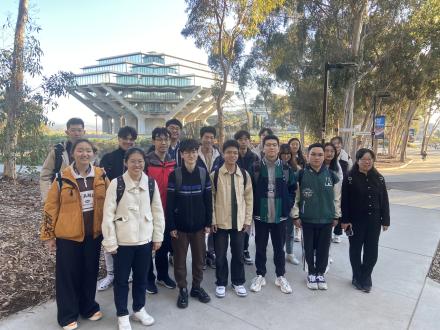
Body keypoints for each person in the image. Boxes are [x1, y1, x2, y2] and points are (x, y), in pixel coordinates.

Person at [40, 139, 109, 330]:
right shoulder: (62, 178)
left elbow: (111, 203)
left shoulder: (101, 175)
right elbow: (50, 208)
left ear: (93, 154)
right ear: (73, 154)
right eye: (80, 150)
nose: (84, 154)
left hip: (93, 235)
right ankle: (67, 314)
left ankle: (88, 307)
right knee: (67, 276)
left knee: (90, 272)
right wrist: (48, 236)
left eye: (88, 151)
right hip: (68, 236)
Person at [102, 147, 165, 330]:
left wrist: (157, 236)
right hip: (123, 243)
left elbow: (158, 212)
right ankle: (122, 314)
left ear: (144, 163)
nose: (137, 165)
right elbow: (108, 214)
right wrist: (110, 242)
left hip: (144, 241)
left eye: (140, 161)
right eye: (133, 161)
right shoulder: (117, 183)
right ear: (125, 162)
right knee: (121, 280)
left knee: (141, 278)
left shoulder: (150, 183)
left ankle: (139, 309)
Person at [167, 138, 213, 308]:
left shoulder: (203, 173)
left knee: (199, 259)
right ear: (182, 154)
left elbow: (208, 199)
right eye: (187, 152)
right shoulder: (175, 174)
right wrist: (171, 225)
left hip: (200, 227)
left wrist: (208, 222)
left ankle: (196, 287)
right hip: (180, 228)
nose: (191, 155)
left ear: (197, 153)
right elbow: (170, 203)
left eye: (194, 151)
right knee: (179, 260)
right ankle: (183, 289)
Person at [249, 135, 296, 294]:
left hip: (280, 216)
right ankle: (260, 275)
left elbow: (292, 189)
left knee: (279, 248)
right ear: (263, 148)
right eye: (268, 145)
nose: (271, 148)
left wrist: (287, 205)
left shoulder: (285, 168)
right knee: (260, 247)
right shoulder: (255, 167)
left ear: (278, 148)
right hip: (261, 215)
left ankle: (280, 276)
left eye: (274, 145)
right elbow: (249, 191)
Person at [292, 143, 341, 291]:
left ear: (324, 156)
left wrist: (336, 216)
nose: (317, 157)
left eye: (320, 154)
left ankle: (320, 273)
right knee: (308, 248)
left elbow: (337, 198)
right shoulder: (300, 175)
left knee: (323, 249)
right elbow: (295, 198)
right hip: (307, 219)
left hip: (326, 219)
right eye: (313, 154)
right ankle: (311, 273)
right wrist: (295, 215)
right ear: (308, 155)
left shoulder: (332, 176)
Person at [341, 148, 390, 293]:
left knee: (372, 251)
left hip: (374, 221)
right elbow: (345, 201)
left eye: (370, 159)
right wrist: (345, 220)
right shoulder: (350, 177)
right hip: (355, 221)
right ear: (358, 161)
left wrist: (385, 220)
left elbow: (384, 200)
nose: (367, 162)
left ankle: (366, 275)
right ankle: (357, 276)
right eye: (364, 159)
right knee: (355, 249)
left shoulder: (379, 178)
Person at [97, 126, 137, 291]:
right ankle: (111, 274)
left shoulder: (137, 158)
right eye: (125, 138)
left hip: (132, 206)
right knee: (109, 239)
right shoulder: (108, 158)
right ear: (118, 139)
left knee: (129, 240)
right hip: (111, 206)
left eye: (131, 139)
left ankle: (128, 272)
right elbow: (100, 182)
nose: (128, 141)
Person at [211, 140, 253, 298]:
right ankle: (221, 282)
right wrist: (213, 220)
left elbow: (249, 199)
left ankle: (238, 282)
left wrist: (248, 220)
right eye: (229, 152)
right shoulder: (215, 175)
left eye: (235, 153)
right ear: (223, 154)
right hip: (220, 223)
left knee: (238, 254)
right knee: (220, 255)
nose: (232, 155)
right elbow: (211, 200)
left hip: (239, 223)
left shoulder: (244, 174)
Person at [145, 127, 177, 294]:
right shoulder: (146, 162)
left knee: (163, 247)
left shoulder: (173, 161)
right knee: (148, 248)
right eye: (159, 139)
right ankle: (148, 279)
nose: (163, 142)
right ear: (153, 141)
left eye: (166, 139)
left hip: (166, 213)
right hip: (148, 213)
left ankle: (163, 276)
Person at [196, 126, 224, 268]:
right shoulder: (195, 154)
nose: (209, 140)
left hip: (215, 194)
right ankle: (201, 255)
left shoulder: (219, 156)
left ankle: (211, 253)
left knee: (214, 224)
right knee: (201, 226)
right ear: (201, 138)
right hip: (198, 195)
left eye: (211, 137)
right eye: (206, 137)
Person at [40, 118, 85, 201]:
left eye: (79, 130)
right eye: (73, 130)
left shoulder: (91, 153)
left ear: (84, 132)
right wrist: (48, 198)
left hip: (85, 198)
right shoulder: (58, 152)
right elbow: (45, 176)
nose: (76, 133)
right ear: (67, 132)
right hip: (61, 197)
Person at [234, 129, 259, 265]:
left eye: (245, 139)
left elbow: (257, 177)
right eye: (240, 139)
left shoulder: (254, 157)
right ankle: (237, 250)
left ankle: (245, 249)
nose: (243, 142)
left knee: (247, 224)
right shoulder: (232, 155)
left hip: (250, 194)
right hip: (234, 195)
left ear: (249, 141)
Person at [278, 144, 300, 266]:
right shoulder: (276, 166)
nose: (286, 156)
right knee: (281, 231)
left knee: (290, 230)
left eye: (288, 154)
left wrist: (292, 203)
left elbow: (296, 189)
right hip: (278, 204)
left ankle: (290, 253)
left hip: (292, 203)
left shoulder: (296, 168)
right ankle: (279, 252)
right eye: (283, 153)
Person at [330, 136, 352, 243]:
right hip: (330, 187)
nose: (336, 145)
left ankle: (337, 233)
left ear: (341, 144)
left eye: (338, 143)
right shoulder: (328, 155)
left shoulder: (346, 157)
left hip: (343, 187)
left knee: (340, 209)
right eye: (334, 143)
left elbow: (351, 171)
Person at [287, 137, 306, 243]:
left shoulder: (302, 159)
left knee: (297, 210)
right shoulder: (286, 157)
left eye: (297, 144)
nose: (294, 146)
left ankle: (298, 231)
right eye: (292, 144)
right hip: (290, 188)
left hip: (299, 187)